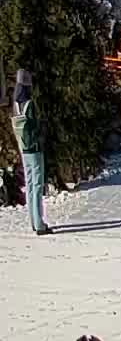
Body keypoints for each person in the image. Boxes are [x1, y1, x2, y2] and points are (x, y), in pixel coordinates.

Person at [12, 68, 50, 235]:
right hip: (34, 149)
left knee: (29, 184)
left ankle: (33, 222)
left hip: (23, 148)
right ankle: (39, 223)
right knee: (36, 184)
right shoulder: (29, 104)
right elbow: (34, 127)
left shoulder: (15, 104)